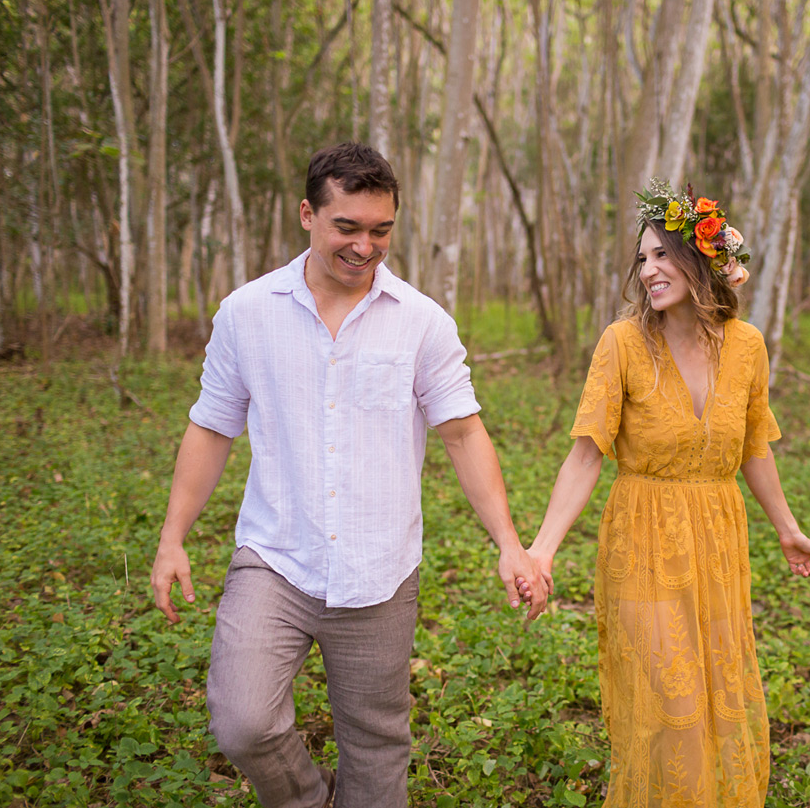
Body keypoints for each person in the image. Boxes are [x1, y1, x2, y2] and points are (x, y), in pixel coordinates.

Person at [150, 142, 547, 808]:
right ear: (308, 214)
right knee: (242, 720)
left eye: (381, 230)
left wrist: (509, 540)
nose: (365, 246)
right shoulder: (247, 313)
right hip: (275, 556)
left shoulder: (422, 322)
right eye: (348, 227)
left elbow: (462, 431)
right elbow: (212, 426)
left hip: (379, 569)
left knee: (375, 739)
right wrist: (171, 536)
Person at [520, 180, 810, 806]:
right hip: (642, 534)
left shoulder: (747, 347)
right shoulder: (623, 343)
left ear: (701, 259)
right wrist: (542, 550)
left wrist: (786, 527)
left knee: (716, 690)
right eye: (642, 259)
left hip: (717, 535)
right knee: (669, 695)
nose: (649, 270)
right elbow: (586, 455)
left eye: (662, 254)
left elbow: (753, 448)